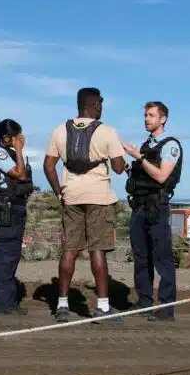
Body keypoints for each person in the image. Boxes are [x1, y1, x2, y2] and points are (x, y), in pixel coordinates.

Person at [43, 87, 128, 323]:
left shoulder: (59, 131)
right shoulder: (107, 131)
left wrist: (59, 192)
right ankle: (102, 307)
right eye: (100, 103)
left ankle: (61, 305)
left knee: (69, 250)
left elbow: (48, 166)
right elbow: (120, 168)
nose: (102, 108)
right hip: (99, 197)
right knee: (97, 251)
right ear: (95, 105)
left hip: (71, 196)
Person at [123, 101, 183, 322]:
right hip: (139, 206)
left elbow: (161, 176)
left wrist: (138, 157)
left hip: (157, 207)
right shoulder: (147, 145)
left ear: (163, 119)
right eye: (145, 115)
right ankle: (144, 302)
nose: (146, 119)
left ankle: (167, 308)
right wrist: (130, 166)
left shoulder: (170, 145)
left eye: (151, 115)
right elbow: (143, 173)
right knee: (141, 257)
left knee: (162, 257)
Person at [0, 118, 35, 316]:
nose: (21, 139)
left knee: (11, 256)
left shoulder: (7, 153)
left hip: (14, 209)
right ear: (7, 138)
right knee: (6, 256)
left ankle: (8, 301)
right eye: (17, 136)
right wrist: (20, 149)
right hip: (7, 211)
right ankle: (4, 304)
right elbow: (20, 174)